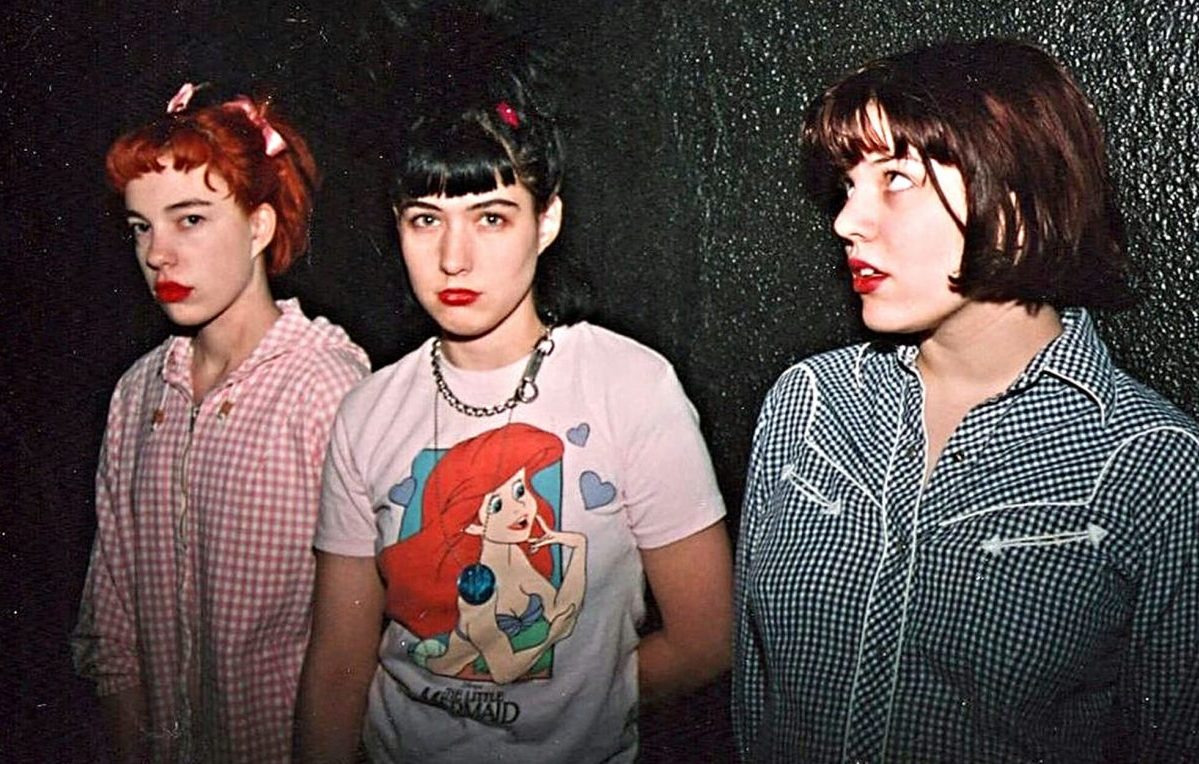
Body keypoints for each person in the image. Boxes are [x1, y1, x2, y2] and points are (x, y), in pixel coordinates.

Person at [733, 38, 1199, 762]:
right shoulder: (808, 404)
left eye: (895, 178)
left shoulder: (1152, 464)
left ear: (1017, 196)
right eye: (848, 185)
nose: (847, 221)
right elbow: (754, 701)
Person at [294, 8, 732, 762]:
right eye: (425, 220)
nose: (453, 258)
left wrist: (579, 716)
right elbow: (338, 664)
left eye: (491, 218)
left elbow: (707, 636)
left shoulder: (630, 387)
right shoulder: (368, 410)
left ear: (546, 219)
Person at [71, 82, 370, 763]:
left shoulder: (325, 391)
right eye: (141, 226)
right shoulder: (139, 393)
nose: (158, 254)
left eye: (190, 220)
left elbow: (359, 651)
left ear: (258, 227)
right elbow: (111, 626)